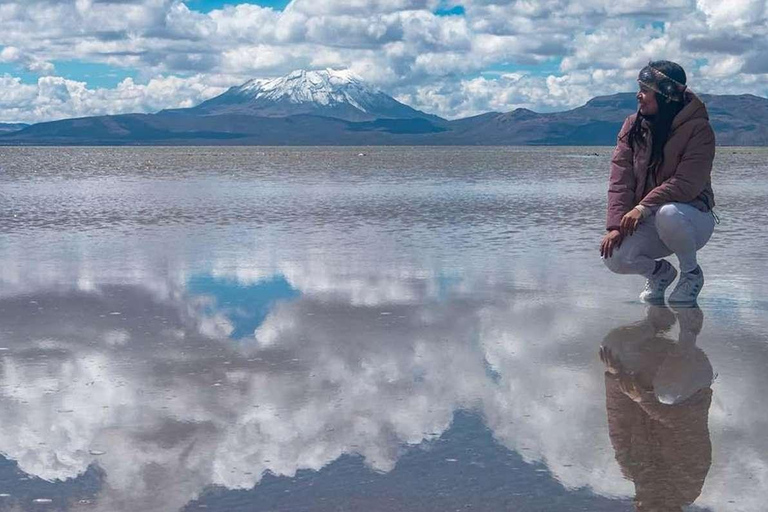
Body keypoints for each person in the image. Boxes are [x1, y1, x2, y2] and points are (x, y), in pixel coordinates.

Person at [600, 60, 717, 304]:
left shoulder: (699, 130)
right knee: (614, 257)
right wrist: (615, 226)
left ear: (666, 95)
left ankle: (691, 274)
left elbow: (687, 184)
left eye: (645, 89)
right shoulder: (633, 126)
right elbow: (621, 180)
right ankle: (660, 274)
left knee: (668, 213)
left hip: (691, 217)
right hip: (649, 217)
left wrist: (642, 208)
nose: (638, 95)